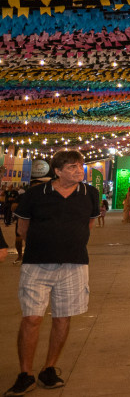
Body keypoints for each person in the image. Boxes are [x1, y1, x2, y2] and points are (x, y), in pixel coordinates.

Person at [5, 150, 101, 395]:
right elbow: (22, 228)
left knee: (63, 317)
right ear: (57, 171)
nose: (79, 171)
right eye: (72, 167)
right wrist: (45, 245)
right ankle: (25, 374)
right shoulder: (36, 194)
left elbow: (89, 225)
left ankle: (49, 369)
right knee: (32, 318)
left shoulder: (90, 193)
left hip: (74, 264)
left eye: (80, 166)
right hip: (37, 264)